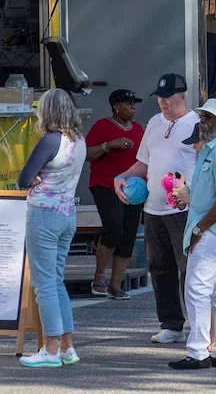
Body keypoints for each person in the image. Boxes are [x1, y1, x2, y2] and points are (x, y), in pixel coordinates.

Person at [114, 73, 200, 344]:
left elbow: (209, 166)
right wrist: (123, 176)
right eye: (160, 97)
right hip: (153, 208)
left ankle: (200, 326)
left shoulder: (197, 124)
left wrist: (195, 193)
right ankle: (172, 325)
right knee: (159, 268)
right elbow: (144, 163)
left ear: (183, 97)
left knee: (189, 269)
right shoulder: (153, 122)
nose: (163, 102)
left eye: (168, 98)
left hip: (184, 209)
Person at [168, 99, 216, 370]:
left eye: (209, 117)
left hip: (213, 230)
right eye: (202, 115)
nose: (203, 120)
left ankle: (198, 351)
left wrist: (201, 228)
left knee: (198, 290)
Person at [17, 89, 88, 368]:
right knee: (57, 282)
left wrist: (34, 175)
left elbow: (23, 178)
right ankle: (68, 347)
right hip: (67, 214)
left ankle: (51, 349)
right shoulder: (79, 141)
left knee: (44, 284)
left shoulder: (49, 140)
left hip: (44, 213)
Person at [85, 88, 145, 300]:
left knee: (128, 233)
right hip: (105, 184)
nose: (133, 107)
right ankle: (99, 276)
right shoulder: (102, 126)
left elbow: (145, 158)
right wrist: (110, 144)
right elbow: (87, 155)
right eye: (128, 103)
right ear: (116, 107)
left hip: (133, 188)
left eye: (134, 104)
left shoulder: (138, 129)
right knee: (114, 225)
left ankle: (116, 284)